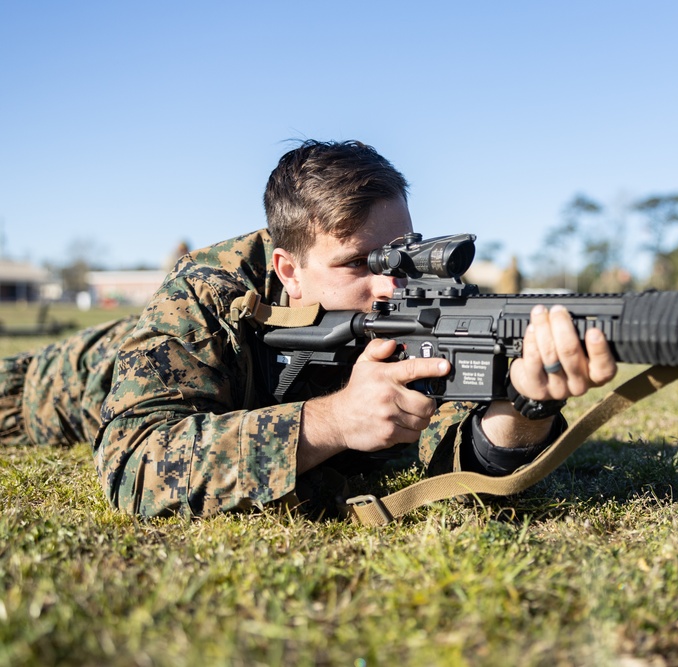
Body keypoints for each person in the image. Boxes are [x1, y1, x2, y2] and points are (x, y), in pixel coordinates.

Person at [1, 140, 618, 518]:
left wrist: (524, 405)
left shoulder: (435, 307)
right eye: (359, 263)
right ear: (288, 271)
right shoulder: (205, 294)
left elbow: (462, 458)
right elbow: (135, 464)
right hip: (59, 385)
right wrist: (332, 422)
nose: (391, 284)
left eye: (405, 253)